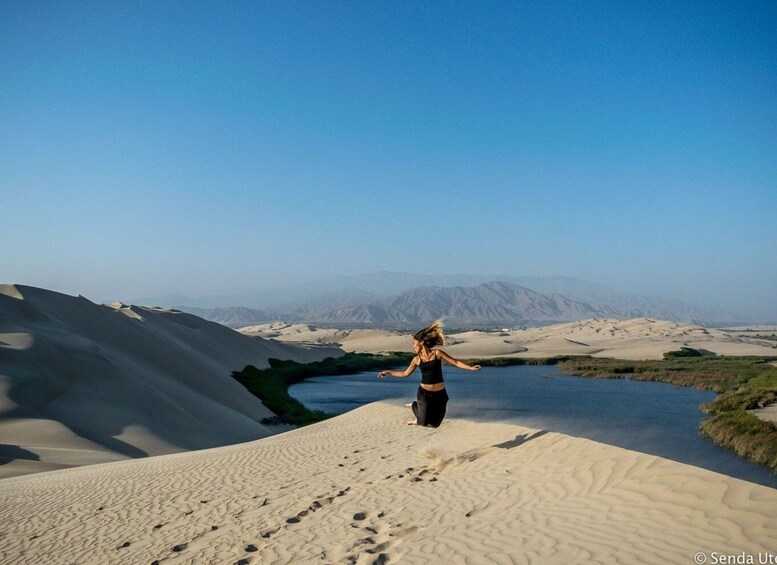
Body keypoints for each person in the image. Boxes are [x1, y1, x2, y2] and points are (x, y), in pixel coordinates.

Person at [377, 320, 481, 427]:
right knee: (423, 422)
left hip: (440, 394)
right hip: (424, 394)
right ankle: (415, 405)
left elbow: (455, 362)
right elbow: (405, 373)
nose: (413, 346)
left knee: (435, 424)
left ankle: (416, 407)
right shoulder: (416, 359)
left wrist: (471, 368)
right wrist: (388, 372)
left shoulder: (437, 353)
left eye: (414, 343)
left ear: (421, 342)